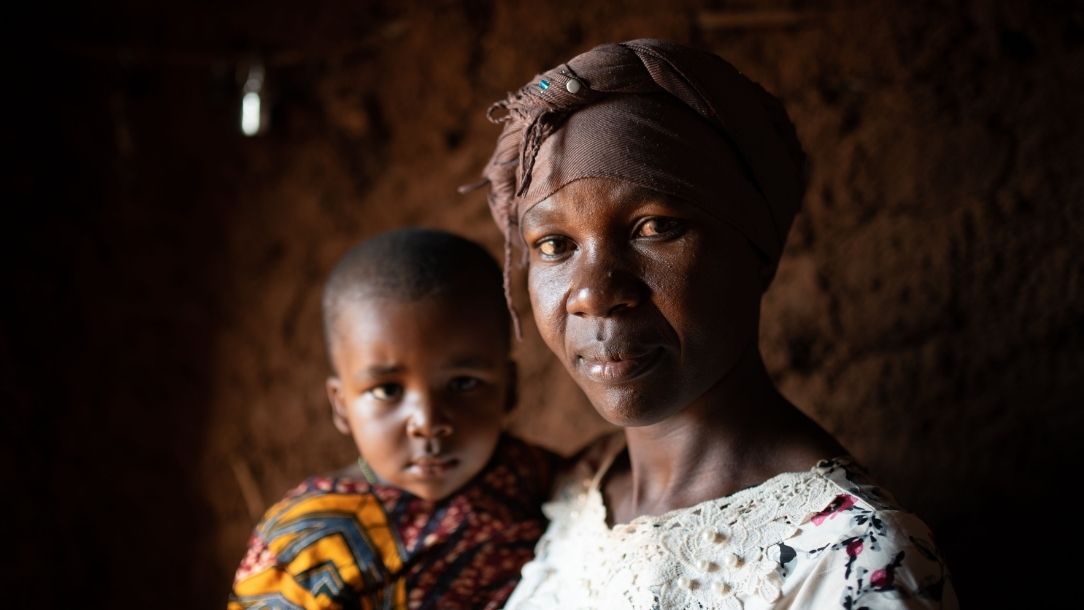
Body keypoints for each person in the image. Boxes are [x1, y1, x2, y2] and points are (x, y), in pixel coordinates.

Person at [467, 39, 957, 609]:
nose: (594, 295)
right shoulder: (573, 490)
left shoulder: (849, 560)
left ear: (757, 250)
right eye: (554, 244)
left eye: (654, 228)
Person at [228, 228, 559, 610]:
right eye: (387, 390)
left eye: (464, 383)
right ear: (341, 405)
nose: (428, 421)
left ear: (510, 389)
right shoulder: (306, 545)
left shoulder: (529, 476)